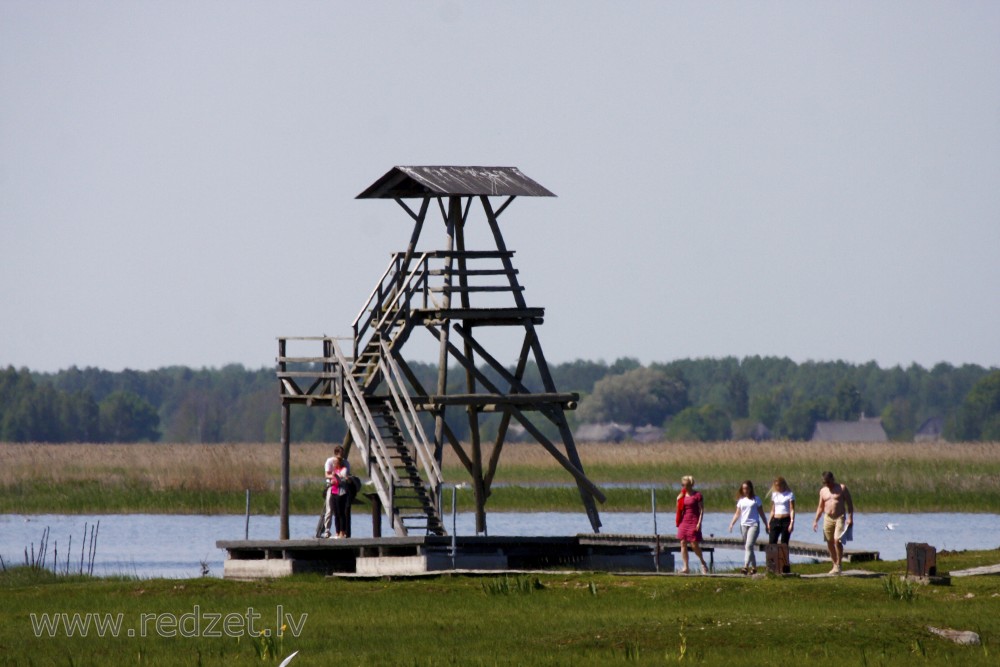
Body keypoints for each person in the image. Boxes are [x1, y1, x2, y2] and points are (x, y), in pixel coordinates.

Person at [811, 471, 854, 574]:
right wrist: (816, 520)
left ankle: (839, 564)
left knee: (837, 540)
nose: (827, 485)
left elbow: (850, 504)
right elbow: (820, 507)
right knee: (829, 541)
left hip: (839, 517)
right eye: (825, 483)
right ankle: (835, 564)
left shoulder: (842, 488)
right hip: (828, 517)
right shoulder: (823, 491)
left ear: (832, 479)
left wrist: (850, 518)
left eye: (828, 482)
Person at [728, 480, 767, 575]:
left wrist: (766, 524)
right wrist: (732, 523)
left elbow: (761, 513)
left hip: (754, 525)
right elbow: (737, 513)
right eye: (743, 488)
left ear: (750, 488)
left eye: (747, 488)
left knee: (748, 546)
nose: (745, 490)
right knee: (749, 547)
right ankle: (754, 568)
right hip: (743, 525)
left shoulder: (756, 499)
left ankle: (745, 566)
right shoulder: (741, 500)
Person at [675, 475, 710, 575]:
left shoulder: (697, 495)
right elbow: (679, 508)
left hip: (694, 520)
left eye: (685, 485)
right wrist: (678, 500)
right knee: (683, 543)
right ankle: (686, 567)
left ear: (691, 485)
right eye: (682, 485)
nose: (684, 487)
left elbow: (702, 510)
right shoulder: (682, 495)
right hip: (684, 521)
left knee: (694, 544)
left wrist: (699, 522)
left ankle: (703, 562)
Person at [323, 446, 353, 539]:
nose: (342, 457)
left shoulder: (345, 464)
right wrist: (333, 477)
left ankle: (342, 532)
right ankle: (328, 531)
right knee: (330, 510)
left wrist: (337, 476)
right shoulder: (329, 461)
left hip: (341, 491)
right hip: (332, 488)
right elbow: (326, 475)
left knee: (341, 513)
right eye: (341, 454)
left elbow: (345, 475)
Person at [767, 476, 796, 544]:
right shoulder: (774, 495)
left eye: (779, 485)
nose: (778, 487)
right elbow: (772, 510)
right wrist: (769, 521)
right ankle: (773, 555)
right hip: (775, 519)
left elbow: (792, 509)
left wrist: (792, 522)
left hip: (785, 520)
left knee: (784, 542)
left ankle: (784, 554)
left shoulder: (789, 494)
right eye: (776, 486)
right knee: (772, 541)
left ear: (783, 485)